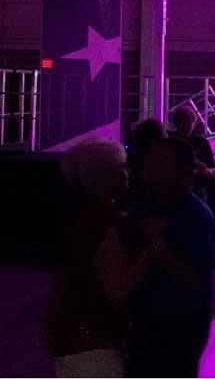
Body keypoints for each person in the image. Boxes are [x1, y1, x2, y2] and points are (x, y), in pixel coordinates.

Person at [125, 138, 215, 378]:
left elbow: (197, 278)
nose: (147, 169)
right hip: (152, 317)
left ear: (177, 172)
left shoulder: (194, 215)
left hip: (177, 320)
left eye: (157, 164)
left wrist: (157, 247)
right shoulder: (149, 205)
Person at [43, 139, 130, 377]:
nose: (127, 173)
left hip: (70, 333)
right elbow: (117, 288)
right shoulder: (105, 222)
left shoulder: (74, 217)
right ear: (103, 176)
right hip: (95, 338)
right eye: (121, 168)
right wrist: (153, 250)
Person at [169, 105, 215, 201]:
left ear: (193, 123)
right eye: (181, 122)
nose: (184, 126)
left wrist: (207, 172)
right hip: (174, 188)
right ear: (175, 122)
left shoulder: (201, 141)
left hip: (194, 189)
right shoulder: (169, 140)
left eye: (188, 122)